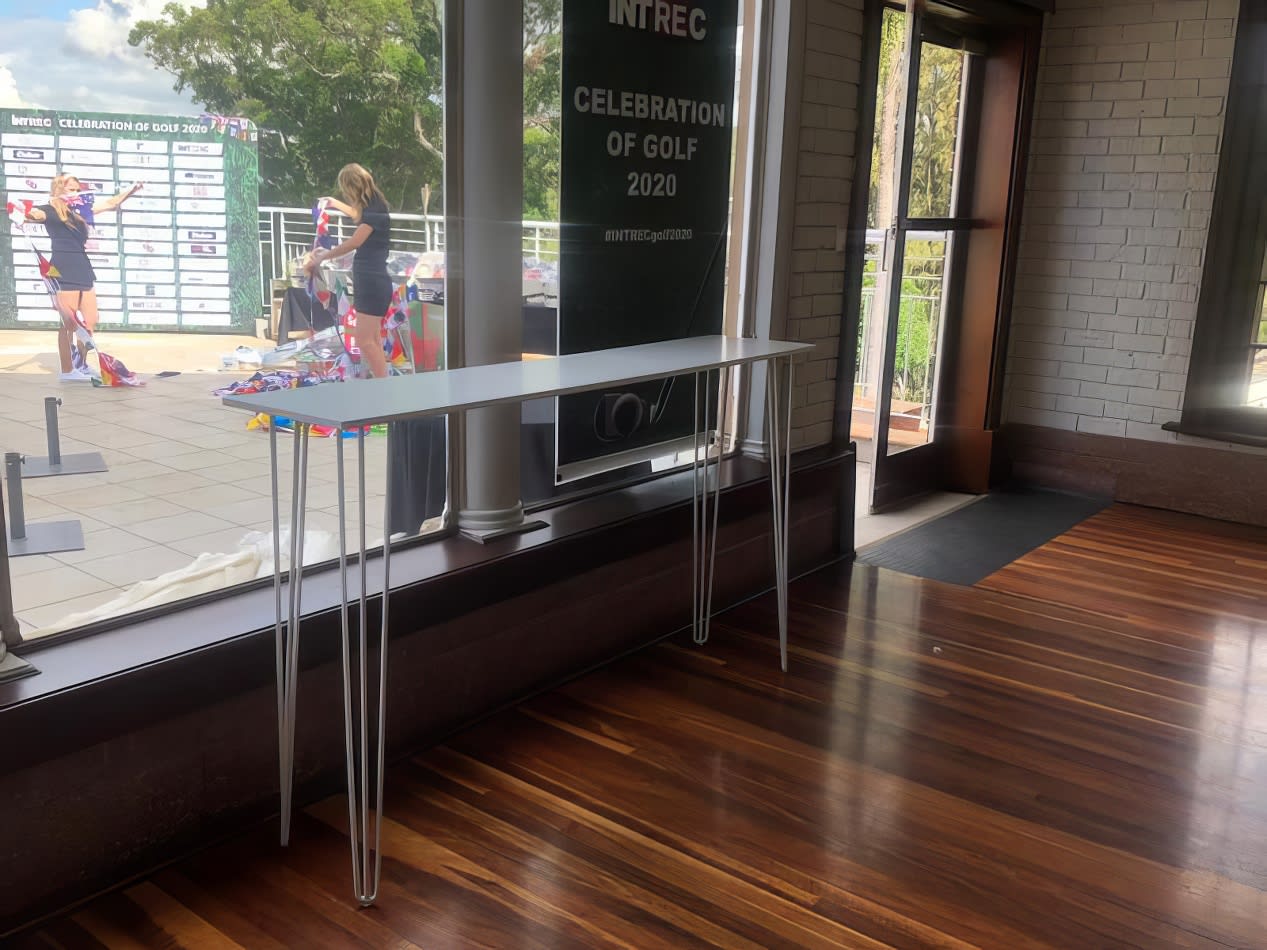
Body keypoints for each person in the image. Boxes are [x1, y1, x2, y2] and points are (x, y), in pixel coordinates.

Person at [24, 174, 140, 381]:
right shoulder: (50, 210)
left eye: (78, 190)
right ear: (59, 190)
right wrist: (23, 212)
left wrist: (132, 190)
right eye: (71, 189)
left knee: (91, 320)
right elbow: (34, 214)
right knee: (68, 322)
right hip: (63, 266)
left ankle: (81, 365)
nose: (76, 193)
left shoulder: (82, 211)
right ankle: (67, 371)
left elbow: (111, 203)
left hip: (82, 266)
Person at [307, 164, 393, 379]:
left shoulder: (374, 211)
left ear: (351, 186)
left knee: (365, 340)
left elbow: (355, 241)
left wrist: (323, 255)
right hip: (372, 280)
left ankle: (385, 386)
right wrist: (334, 203)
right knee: (371, 340)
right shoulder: (375, 205)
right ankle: (382, 385)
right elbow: (357, 215)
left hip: (372, 282)